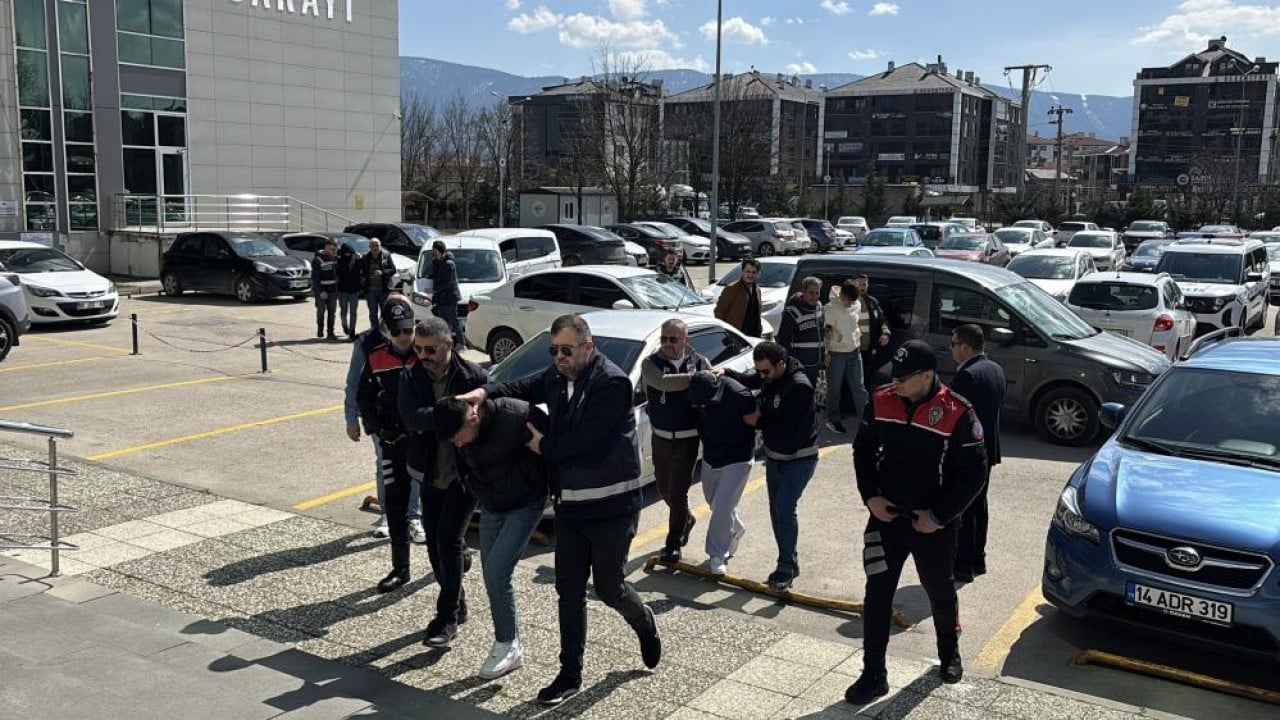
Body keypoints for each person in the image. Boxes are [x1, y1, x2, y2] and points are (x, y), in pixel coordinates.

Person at [456, 315, 661, 707]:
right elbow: (520, 384)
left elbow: (583, 443)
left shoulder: (612, 383)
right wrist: (484, 392)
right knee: (568, 591)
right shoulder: (555, 376)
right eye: (554, 351)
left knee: (608, 587)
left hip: (611, 508)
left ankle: (643, 621)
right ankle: (570, 674)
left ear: (588, 347)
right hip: (571, 509)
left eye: (566, 350)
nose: (559, 357)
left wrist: (542, 447)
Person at [847, 340, 988, 705]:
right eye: (893, 377)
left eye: (904, 379)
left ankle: (948, 653)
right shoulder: (881, 400)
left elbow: (974, 475)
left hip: (933, 526)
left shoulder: (957, 412)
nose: (895, 384)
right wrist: (870, 497)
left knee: (939, 592)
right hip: (886, 519)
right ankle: (873, 673)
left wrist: (939, 517)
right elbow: (862, 450)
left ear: (927, 376)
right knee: (876, 596)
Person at [431, 395, 549, 680]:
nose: (458, 444)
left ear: (473, 418)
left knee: (497, 573)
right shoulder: (462, 433)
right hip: (491, 504)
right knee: (492, 574)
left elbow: (551, 447)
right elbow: (463, 460)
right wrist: (472, 485)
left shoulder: (515, 416)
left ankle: (507, 644)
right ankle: (510, 643)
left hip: (525, 502)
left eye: (460, 438)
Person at [397, 316, 487, 647]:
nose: (423, 355)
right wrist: (450, 414)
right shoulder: (411, 376)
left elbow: (481, 424)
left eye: (431, 349)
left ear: (448, 345)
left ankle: (446, 618)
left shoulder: (472, 376)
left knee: (448, 539)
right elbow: (409, 418)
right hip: (430, 472)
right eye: (418, 349)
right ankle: (457, 600)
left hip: (464, 476)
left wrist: (432, 417)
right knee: (436, 544)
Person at [723, 342, 819, 590]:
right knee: (777, 512)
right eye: (760, 371)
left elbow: (787, 426)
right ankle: (788, 562)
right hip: (775, 457)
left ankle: (786, 565)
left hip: (799, 458)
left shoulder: (799, 386)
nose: (762, 376)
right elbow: (751, 380)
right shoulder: (770, 376)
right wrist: (725, 374)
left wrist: (758, 421)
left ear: (781, 364)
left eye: (766, 371)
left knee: (785, 508)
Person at [348, 295, 424, 584]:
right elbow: (362, 394)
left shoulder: (427, 348)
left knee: (436, 507)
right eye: (397, 331)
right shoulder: (374, 351)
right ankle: (400, 569)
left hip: (424, 442)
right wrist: (375, 427)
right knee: (394, 507)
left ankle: (451, 564)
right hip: (392, 441)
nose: (405, 336)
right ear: (385, 329)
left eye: (408, 329)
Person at [640, 318, 713, 564]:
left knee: (678, 492)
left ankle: (673, 544)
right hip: (660, 436)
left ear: (686, 340)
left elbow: (712, 388)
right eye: (664, 338)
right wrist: (696, 378)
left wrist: (705, 376)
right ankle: (686, 519)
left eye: (674, 339)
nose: (668, 344)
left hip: (687, 439)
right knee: (663, 489)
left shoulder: (701, 362)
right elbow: (662, 382)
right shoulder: (650, 363)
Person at [948, 324, 1005, 583]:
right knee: (980, 507)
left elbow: (955, 418)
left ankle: (962, 566)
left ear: (966, 347)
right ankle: (978, 560)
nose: (951, 349)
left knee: (963, 509)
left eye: (953, 344)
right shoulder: (995, 369)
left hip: (968, 453)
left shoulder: (967, 376)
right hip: (988, 450)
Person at [687, 371, 757, 576]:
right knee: (714, 502)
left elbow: (754, 420)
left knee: (723, 505)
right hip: (711, 455)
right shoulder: (695, 396)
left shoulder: (740, 395)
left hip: (738, 456)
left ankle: (717, 554)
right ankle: (735, 528)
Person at [823, 281, 869, 435]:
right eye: (847, 301)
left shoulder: (856, 304)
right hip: (837, 352)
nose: (849, 305)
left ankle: (867, 418)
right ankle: (833, 419)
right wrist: (826, 352)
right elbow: (826, 331)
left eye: (852, 302)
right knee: (834, 389)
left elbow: (856, 324)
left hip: (854, 350)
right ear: (841, 295)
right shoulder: (830, 308)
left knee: (859, 387)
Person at [777, 276, 826, 387]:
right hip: (800, 365)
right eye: (811, 293)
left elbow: (822, 334)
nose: (814, 297)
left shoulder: (819, 307)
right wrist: (793, 363)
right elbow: (783, 340)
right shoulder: (791, 312)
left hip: (817, 363)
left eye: (817, 293)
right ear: (803, 292)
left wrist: (825, 353)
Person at [853, 272, 892, 391]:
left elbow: (882, 320)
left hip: (869, 350)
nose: (862, 287)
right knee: (853, 381)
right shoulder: (848, 302)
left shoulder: (872, 302)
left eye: (864, 284)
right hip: (852, 350)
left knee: (867, 379)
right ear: (853, 284)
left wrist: (885, 333)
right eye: (859, 284)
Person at [714, 257, 764, 338]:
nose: (750, 275)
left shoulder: (757, 289)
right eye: (747, 271)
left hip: (754, 336)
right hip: (736, 337)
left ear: (757, 274)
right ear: (742, 272)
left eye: (754, 272)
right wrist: (726, 333)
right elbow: (718, 312)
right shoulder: (731, 289)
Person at [428, 240, 465, 346]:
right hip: (440, 298)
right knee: (442, 323)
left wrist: (435, 289)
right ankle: (445, 343)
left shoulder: (449, 264)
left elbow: (449, 282)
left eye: (435, 251)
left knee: (454, 321)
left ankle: (462, 344)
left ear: (441, 251)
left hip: (449, 297)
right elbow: (435, 276)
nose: (434, 253)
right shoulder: (436, 262)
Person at [361, 238, 397, 329]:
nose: (375, 247)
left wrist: (383, 272)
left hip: (384, 290)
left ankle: (384, 330)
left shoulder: (386, 255)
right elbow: (362, 272)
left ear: (380, 246)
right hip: (370, 291)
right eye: (372, 246)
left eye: (377, 245)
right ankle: (375, 331)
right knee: (373, 313)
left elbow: (393, 270)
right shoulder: (365, 258)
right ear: (369, 247)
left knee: (385, 312)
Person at [335, 243, 363, 340]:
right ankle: (345, 326)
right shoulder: (339, 261)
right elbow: (338, 272)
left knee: (353, 312)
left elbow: (362, 271)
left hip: (354, 290)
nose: (348, 255)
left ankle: (352, 331)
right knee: (343, 311)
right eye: (346, 253)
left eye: (350, 253)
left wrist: (358, 260)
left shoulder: (357, 260)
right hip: (342, 290)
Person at [311, 239, 339, 339]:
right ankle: (320, 329)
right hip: (322, 291)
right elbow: (315, 278)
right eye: (332, 250)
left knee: (332, 313)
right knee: (321, 312)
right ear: (326, 248)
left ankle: (330, 333)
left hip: (333, 291)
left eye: (335, 250)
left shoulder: (335, 259)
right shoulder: (317, 260)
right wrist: (321, 291)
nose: (334, 252)